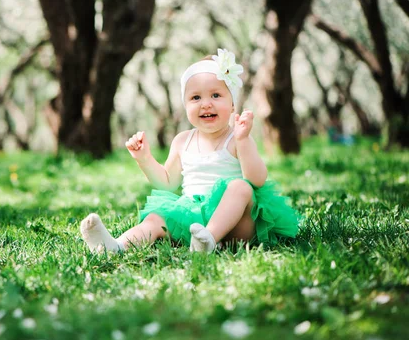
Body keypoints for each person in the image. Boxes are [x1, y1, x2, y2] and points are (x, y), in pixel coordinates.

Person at [80, 49, 301, 253]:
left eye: (216, 95)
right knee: (156, 218)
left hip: (236, 226)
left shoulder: (236, 138)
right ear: (185, 105)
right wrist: (144, 159)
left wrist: (243, 140)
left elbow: (257, 179)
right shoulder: (182, 141)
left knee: (242, 187)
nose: (206, 104)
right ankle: (116, 246)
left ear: (233, 104)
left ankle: (210, 238)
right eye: (196, 98)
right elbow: (167, 183)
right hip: (192, 219)